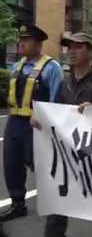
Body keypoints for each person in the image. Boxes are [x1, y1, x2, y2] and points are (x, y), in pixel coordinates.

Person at [32, 32, 92, 237]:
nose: (72, 52)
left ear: (90, 52)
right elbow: (54, 110)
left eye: (78, 47)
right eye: (69, 47)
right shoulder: (65, 82)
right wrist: (40, 119)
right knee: (59, 196)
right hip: (67, 151)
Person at [0, 24, 64, 222]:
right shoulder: (17, 66)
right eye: (21, 41)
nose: (22, 44)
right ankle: (18, 204)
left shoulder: (52, 68)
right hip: (14, 122)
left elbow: (57, 99)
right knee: (11, 164)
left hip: (37, 125)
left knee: (42, 165)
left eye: (26, 41)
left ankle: (58, 204)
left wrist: (48, 121)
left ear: (38, 44)